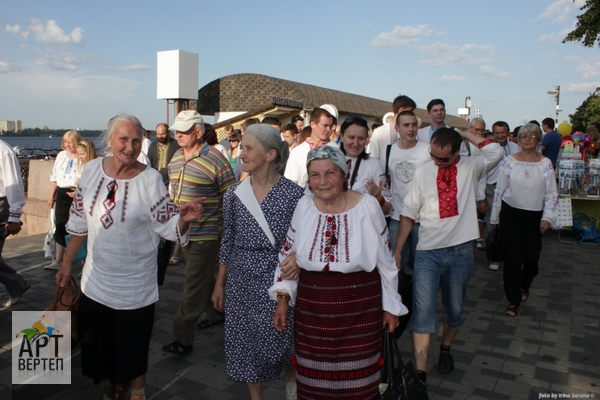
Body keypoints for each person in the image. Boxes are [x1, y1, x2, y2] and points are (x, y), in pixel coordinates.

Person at [55, 114, 204, 400]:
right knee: (99, 344)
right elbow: (78, 224)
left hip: (136, 285)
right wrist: (65, 264)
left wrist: (183, 218)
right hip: (95, 281)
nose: (130, 146)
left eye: (136, 140)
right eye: (123, 139)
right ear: (109, 140)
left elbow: (169, 227)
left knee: (133, 346)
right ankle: (116, 384)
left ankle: (137, 392)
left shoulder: (149, 180)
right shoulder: (91, 171)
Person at [271, 146, 408, 400]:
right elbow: (286, 256)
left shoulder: (367, 207)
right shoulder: (304, 207)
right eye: (314, 175)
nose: (322, 182)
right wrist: (282, 298)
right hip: (312, 311)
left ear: (344, 174)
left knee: (358, 385)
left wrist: (391, 307)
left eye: (330, 173)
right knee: (314, 385)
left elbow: (387, 262)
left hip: (360, 308)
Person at [394, 127, 503, 393]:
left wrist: (466, 134)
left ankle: (446, 347)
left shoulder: (472, 167)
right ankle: (420, 376)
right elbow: (409, 213)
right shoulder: (423, 172)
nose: (436, 162)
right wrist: (397, 251)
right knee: (423, 314)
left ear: (457, 152)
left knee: (455, 312)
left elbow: (496, 150)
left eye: (443, 158)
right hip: (427, 253)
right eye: (432, 155)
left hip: (460, 253)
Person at [212, 124, 304, 400]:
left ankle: (291, 383)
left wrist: (298, 258)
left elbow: (305, 239)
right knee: (245, 344)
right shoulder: (233, 195)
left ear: (270, 154)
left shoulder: (295, 195)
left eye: (249, 148)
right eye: (242, 148)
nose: (242, 153)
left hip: (277, 280)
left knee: (282, 339)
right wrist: (219, 284)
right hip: (240, 281)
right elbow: (227, 241)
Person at [163, 110, 236, 355]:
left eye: (184, 130)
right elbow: (172, 192)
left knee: (192, 284)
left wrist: (227, 231)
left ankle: (182, 337)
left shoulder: (215, 158)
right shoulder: (174, 158)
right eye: (176, 130)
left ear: (199, 131)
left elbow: (231, 195)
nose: (178, 135)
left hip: (207, 233)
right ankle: (217, 313)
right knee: (202, 278)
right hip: (184, 232)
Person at [490, 123, 558, 317]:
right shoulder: (509, 161)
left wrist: (548, 217)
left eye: (532, 135)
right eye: (523, 136)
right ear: (518, 140)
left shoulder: (545, 163)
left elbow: (552, 193)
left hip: (534, 217)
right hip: (511, 214)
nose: (527, 139)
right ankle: (513, 300)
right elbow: (500, 191)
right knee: (512, 257)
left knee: (531, 258)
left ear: (538, 139)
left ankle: (524, 285)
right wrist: (495, 216)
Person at [388, 111, 430, 271]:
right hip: (397, 216)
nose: (411, 129)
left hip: (422, 218)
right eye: (406, 125)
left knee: (421, 264)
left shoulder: (427, 150)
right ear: (397, 128)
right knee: (396, 263)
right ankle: (400, 294)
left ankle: (417, 295)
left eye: (414, 125)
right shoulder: (389, 151)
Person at [476, 121, 520, 270]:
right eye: (497, 133)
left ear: (508, 133)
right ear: (493, 134)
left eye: (503, 132)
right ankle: (494, 257)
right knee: (493, 224)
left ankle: (508, 256)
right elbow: (481, 175)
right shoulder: (488, 150)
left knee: (509, 225)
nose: (500, 135)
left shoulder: (516, 148)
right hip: (491, 189)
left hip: (511, 191)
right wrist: (480, 198)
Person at [147, 122, 181, 284]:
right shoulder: (152, 146)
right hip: (156, 183)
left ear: (168, 132)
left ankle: (172, 249)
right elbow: (149, 163)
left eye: (162, 134)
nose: (160, 136)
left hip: (172, 183)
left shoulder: (175, 145)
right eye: (158, 134)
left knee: (171, 216)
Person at [44, 130, 83, 271]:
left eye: (71, 142)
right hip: (61, 193)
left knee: (77, 227)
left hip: (76, 193)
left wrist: (79, 191)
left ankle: (76, 258)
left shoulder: (82, 156)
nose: (68, 145)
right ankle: (58, 259)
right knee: (60, 226)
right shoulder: (61, 156)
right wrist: (51, 197)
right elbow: (54, 178)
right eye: (66, 142)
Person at [339, 116, 391, 214]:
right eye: (351, 137)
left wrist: (379, 198)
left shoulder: (374, 164)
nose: (356, 143)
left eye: (360, 138)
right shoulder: (329, 161)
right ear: (342, 137)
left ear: (367, 139)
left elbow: (387, 209)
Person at [0, 139, 30, 307]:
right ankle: (17, 284)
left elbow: (14, 185)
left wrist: (13, 216)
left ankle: (17, 284)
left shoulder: (3, 151)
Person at [284, 107, 335, 187]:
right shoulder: (297, 152)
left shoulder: (337, 149)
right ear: (312, 124)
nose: (328, 129)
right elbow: (290, 185)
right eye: (325, 125)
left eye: (330, 126)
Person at [369, 94, 417, 168]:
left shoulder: (412, 132)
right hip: (384, 176)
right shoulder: (379, 132)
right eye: (410, 111)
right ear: (401, 110)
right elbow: (372, 158)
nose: (412, 114)